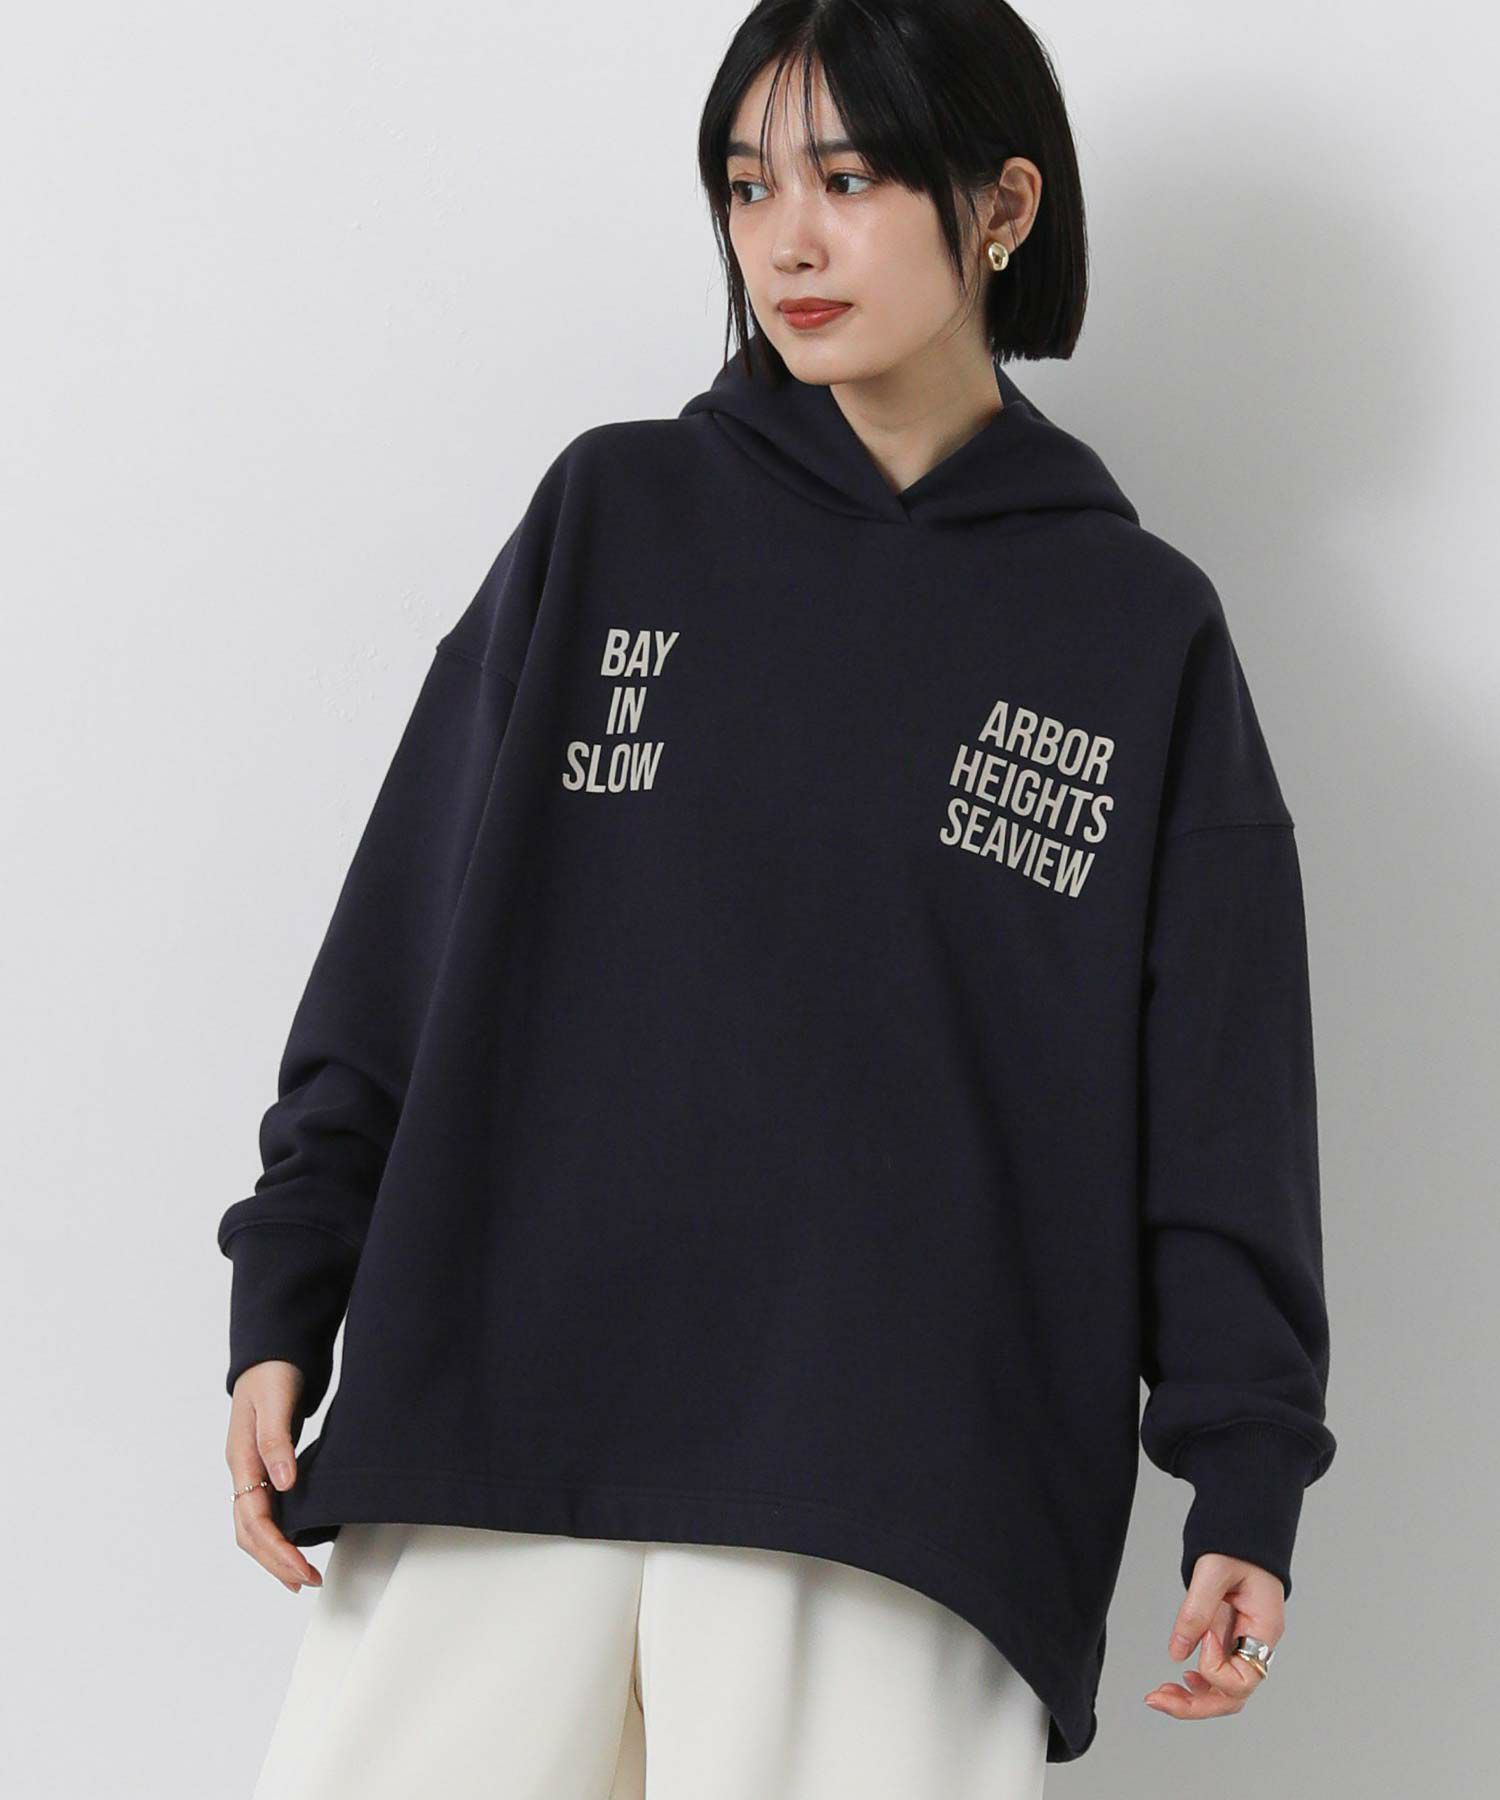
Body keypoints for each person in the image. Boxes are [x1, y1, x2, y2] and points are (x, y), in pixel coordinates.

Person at [219, 3, 1337, 1793]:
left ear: (1004, 207)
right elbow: (400, 949)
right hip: (501, 1423)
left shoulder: (1137, 633)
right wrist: (289, 1291)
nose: (786, 242)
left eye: (851, 178)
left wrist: (1246, 1473)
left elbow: (1217, 1109)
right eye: (747, 187)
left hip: (903, 1499)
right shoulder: (614, 517)